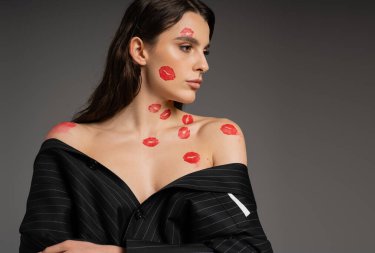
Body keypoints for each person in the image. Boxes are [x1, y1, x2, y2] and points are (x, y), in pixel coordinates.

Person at [19, 0, 274, 252]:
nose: (203, 65)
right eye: (186, 47)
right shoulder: (70, 144)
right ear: (140, 51)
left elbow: (249, 248)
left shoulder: (218, 137)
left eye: (204, 51)